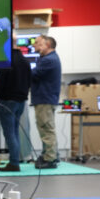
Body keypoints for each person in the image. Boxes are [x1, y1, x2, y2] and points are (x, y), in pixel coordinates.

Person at [0, 43, 32, 172]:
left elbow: (0, 82)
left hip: (6, 101)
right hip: (21, 101)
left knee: (10, 133)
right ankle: (15, 160)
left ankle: (14, 163)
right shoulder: (26, 61)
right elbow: (29, 81)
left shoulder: (5, 60)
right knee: (15, 132)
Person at [31, 34, 62, 169]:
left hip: (45, 99)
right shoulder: (47, 59)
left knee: (46, 129)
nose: (34, 45)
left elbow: (33, 74)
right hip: (45, 98)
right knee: (46, 128)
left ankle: (50, 159)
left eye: (37, 43)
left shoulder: (48, 60)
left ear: (47, 45)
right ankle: (50, 155)